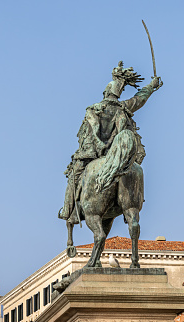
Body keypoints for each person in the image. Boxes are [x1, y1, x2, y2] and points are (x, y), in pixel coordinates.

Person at [59, 61, 162, 220]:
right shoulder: (123, 107)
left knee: (74, 177)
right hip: (116, 155)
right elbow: (139, 99)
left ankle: (67, 210)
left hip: (91, 156)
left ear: (105, 92)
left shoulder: (93, 109)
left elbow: (90, 134)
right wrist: (151, 86)